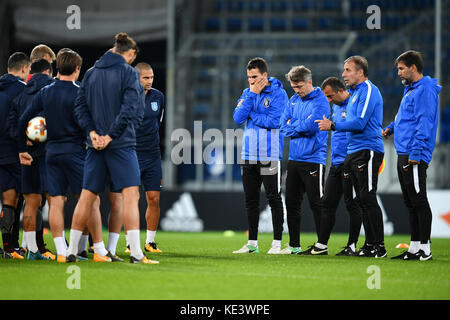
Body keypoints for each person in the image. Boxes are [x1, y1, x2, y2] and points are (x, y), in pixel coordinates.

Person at [70, 32, 158, 264]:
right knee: (131, 195)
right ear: (130, 54)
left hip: (94, 145)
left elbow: (79, 107)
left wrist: (92, 133)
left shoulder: (90, 73)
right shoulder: (129, 73)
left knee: (87, 197)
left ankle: (70, 251)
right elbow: (131, 109)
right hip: (121, 144)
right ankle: (137, 254)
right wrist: (110, 136)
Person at [316, 55, 386, 258]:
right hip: (353, 152)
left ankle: (379, 247)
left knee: (368, 198)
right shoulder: (355, 94)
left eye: (348, 70)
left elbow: (360, 123)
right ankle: (369, 245)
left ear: (360, 72)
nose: (344, 74)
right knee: (362, 200)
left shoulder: (370, 90)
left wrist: (334, 126)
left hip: (368, 149)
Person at [383, 50, 441, 261]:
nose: (398, 73)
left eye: (401, 68)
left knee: (418, 201)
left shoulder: (424, 90)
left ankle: (425, 250)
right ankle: (414, 248)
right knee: (410, 202)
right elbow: (405, 118)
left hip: (413, 153)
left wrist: (416, 151)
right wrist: (391, 128)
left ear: (413, 68)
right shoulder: (411, 89)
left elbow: (424, 122)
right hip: (404, 151)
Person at [232, 57, 288, 254]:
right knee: (251, 200)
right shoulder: (248, 93)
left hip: (269, 154)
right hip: (248, 154)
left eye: (254, 77)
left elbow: (275, 121)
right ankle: (252, 244)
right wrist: (251, 96)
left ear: (265, 76)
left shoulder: (279, 94)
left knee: (274, 198)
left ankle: (276, 244)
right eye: (248, 77)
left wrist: (251, 115)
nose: (251, 81)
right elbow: (238, 117)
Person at [302, 77, 362, 256]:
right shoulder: (335, 107)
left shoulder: (354, 103)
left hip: (350, 162)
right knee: (327, 203)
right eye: (326, 97)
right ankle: (321, 245)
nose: (328, 100)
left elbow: (358, 125)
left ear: (341, 90)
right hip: (336, 163)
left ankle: (352, 245)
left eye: (330, 96)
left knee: (352, 204)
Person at [279, 66, 330, 255]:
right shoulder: (293, 100)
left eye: (299, 86)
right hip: (294, 158)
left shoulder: (321, 101)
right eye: (294, 87)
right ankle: (294, 245)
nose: (297, 91)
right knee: (291, 203)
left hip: (313, 158)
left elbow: (311, 127)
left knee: (317, 203)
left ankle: (321, 246)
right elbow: (282, 125)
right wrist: (295, 127)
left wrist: (293, 126)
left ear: (309, 82)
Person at [12, 59, 55, 260]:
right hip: (47, 153)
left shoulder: (21, 93)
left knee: (31, 201)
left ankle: (32, 250)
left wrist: (23, 142)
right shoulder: (50, 89)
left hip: (26, 155)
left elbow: (12, 124)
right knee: (55, 200)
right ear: (48, 71)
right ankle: (66, 250)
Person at [132, 62, 165, 253]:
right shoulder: (127, 96)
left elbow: (158, 121)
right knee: (132, 198)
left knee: (153, 198)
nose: (149, 81)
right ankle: (130, 242)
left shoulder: (158, 97)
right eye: (145, 78)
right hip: (131, 154)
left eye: (151, 77)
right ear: (137, 78)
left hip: (152, 154)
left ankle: (150, 241)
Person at [0, 53, 30, 259]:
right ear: (23, 69)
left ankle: (10, 248)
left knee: (8, 196)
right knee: (14, 197)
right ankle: (10, 246)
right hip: (12, 152)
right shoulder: (22, 90)